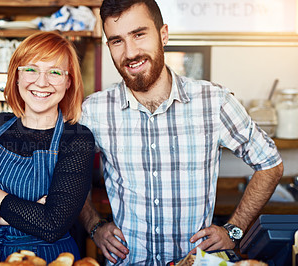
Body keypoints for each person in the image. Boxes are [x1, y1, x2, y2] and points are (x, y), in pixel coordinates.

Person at [78, 0, 284, 265]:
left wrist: (234, 230)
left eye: (139, 34)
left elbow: (270, 164)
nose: (130, 52)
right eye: (117, 41)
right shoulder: (94, 110)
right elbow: (64, 172)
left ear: (163, 34)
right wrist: (94, 225)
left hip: (194, 261)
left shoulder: (214, 101)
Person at [0, 32, 96, 265]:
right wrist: (30, 213)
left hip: (51, 259)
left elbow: (52, 226)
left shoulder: (77, 139)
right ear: (16, 76)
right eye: (31, 69)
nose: (41, 82)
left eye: (54, 72)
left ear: (68, 81)